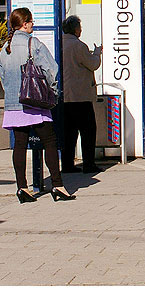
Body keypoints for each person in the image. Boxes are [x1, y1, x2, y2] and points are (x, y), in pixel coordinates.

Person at [0, 7, 75, 203]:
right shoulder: (34, 44)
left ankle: (22, 188)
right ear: (24, 23)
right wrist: (54, 93)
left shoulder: (5, 48)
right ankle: (58, 186)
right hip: (35, 102)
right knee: (49, 141)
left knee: (20, 145)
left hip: (14, 104)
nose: (33, 24)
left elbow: (2, 76)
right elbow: (51, 70)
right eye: (31, 21)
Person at [60, 15, 102, 174]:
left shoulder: (60, 43)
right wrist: (97, 53)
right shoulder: (79, 46)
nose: (81, 30)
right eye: (80, 27)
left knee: (68, 133)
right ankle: (89, 164)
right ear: (76, 29)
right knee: (88, 130)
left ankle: (67, 164)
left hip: (65, 96)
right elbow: (92, 64)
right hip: (80, 95)